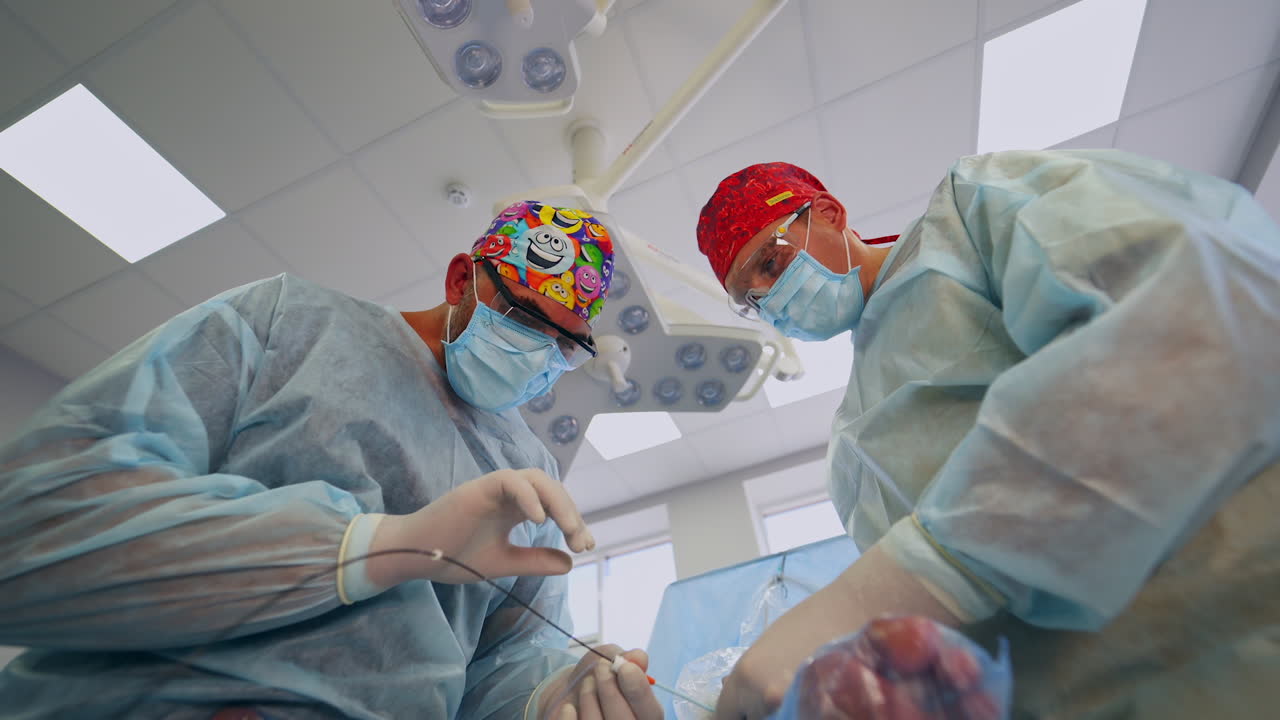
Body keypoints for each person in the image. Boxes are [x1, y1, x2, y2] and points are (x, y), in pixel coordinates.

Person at [0, 201, 662, 720]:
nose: (538, 352)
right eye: (521, 317)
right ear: (462, 278)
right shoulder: (289, 327)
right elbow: (39, 523)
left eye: (563, 343)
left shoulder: (528, 473)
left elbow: (500, 665)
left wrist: (551, 698)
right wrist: (370, 546)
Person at [693, 152, 1280, 719]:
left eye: (770, 264)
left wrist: (936, 567)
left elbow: (1193, 314)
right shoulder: (852, 449)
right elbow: (936, 635)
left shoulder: (969, 216)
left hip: (1231, 627)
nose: (773, 298)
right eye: (753, 299)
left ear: (828, 214)